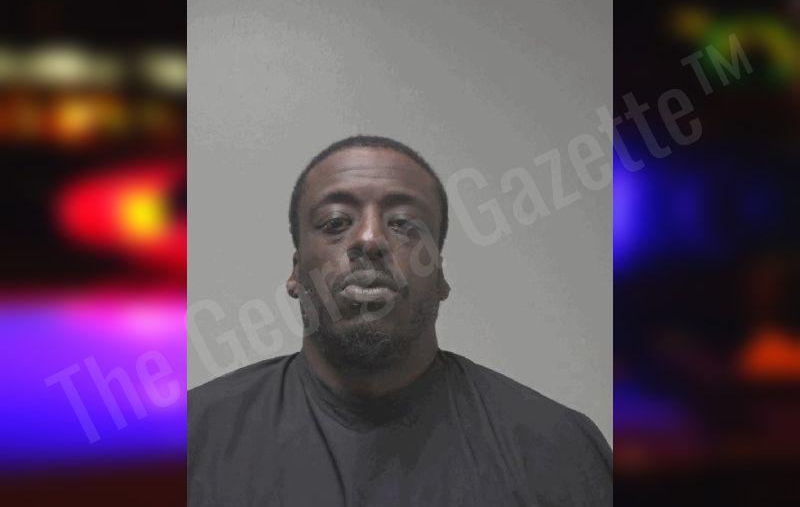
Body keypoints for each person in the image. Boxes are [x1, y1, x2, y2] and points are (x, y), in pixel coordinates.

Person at [188, 135, 612, 506]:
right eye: (335, 222)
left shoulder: (556, 449)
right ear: (296, 271)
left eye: (405, 225)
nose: (369, 239)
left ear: (440, 274)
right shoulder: (192, 440)